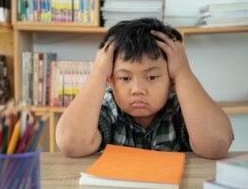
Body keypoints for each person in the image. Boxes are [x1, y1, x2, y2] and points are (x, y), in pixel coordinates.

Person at [55, 18, 233, 159]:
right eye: (124, 78)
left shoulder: (181, 108)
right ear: (110, 79)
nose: (138, 89)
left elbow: (216, 145)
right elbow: (71, 143)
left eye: (152, 77)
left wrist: (183, 73)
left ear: (171, 80)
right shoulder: (108, 109)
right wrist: (98, 72)